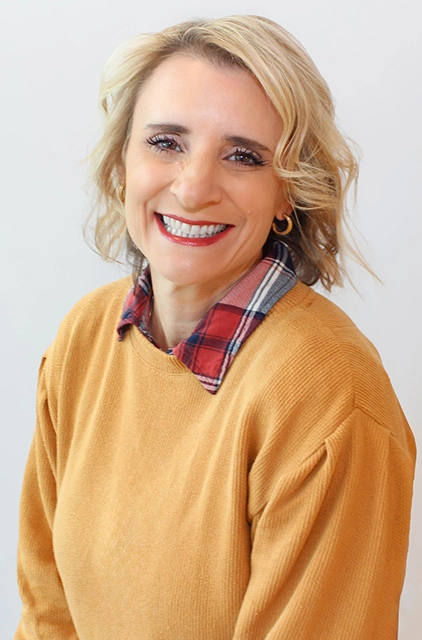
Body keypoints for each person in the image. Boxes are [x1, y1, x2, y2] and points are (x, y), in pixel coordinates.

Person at [15, 15, 415, 640]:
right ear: (124, 161)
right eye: (166, 142)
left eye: (243, 156)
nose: (194, 187)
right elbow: (48, 616)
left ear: (289, 193)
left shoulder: (332, 400)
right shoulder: (85, 337)